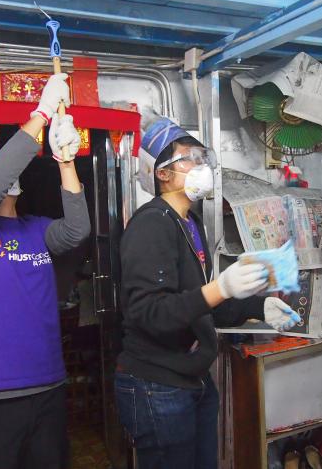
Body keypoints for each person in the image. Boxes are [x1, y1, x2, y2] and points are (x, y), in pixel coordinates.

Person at [115, 112, 300, 469]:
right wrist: (218, 288)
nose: (202, 167)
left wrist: (259, 308)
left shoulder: (190, 222)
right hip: (157, 384)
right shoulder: (151, 224)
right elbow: (149, 313)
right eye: (189, 159)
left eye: (203, 159)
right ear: (162, 173)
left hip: (193, 379)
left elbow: (202, 306)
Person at [0, 73, 90, 469]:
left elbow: (77, 229)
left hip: (47, 388)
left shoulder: (36, 229)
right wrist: (41, 115)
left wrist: (65, 160)